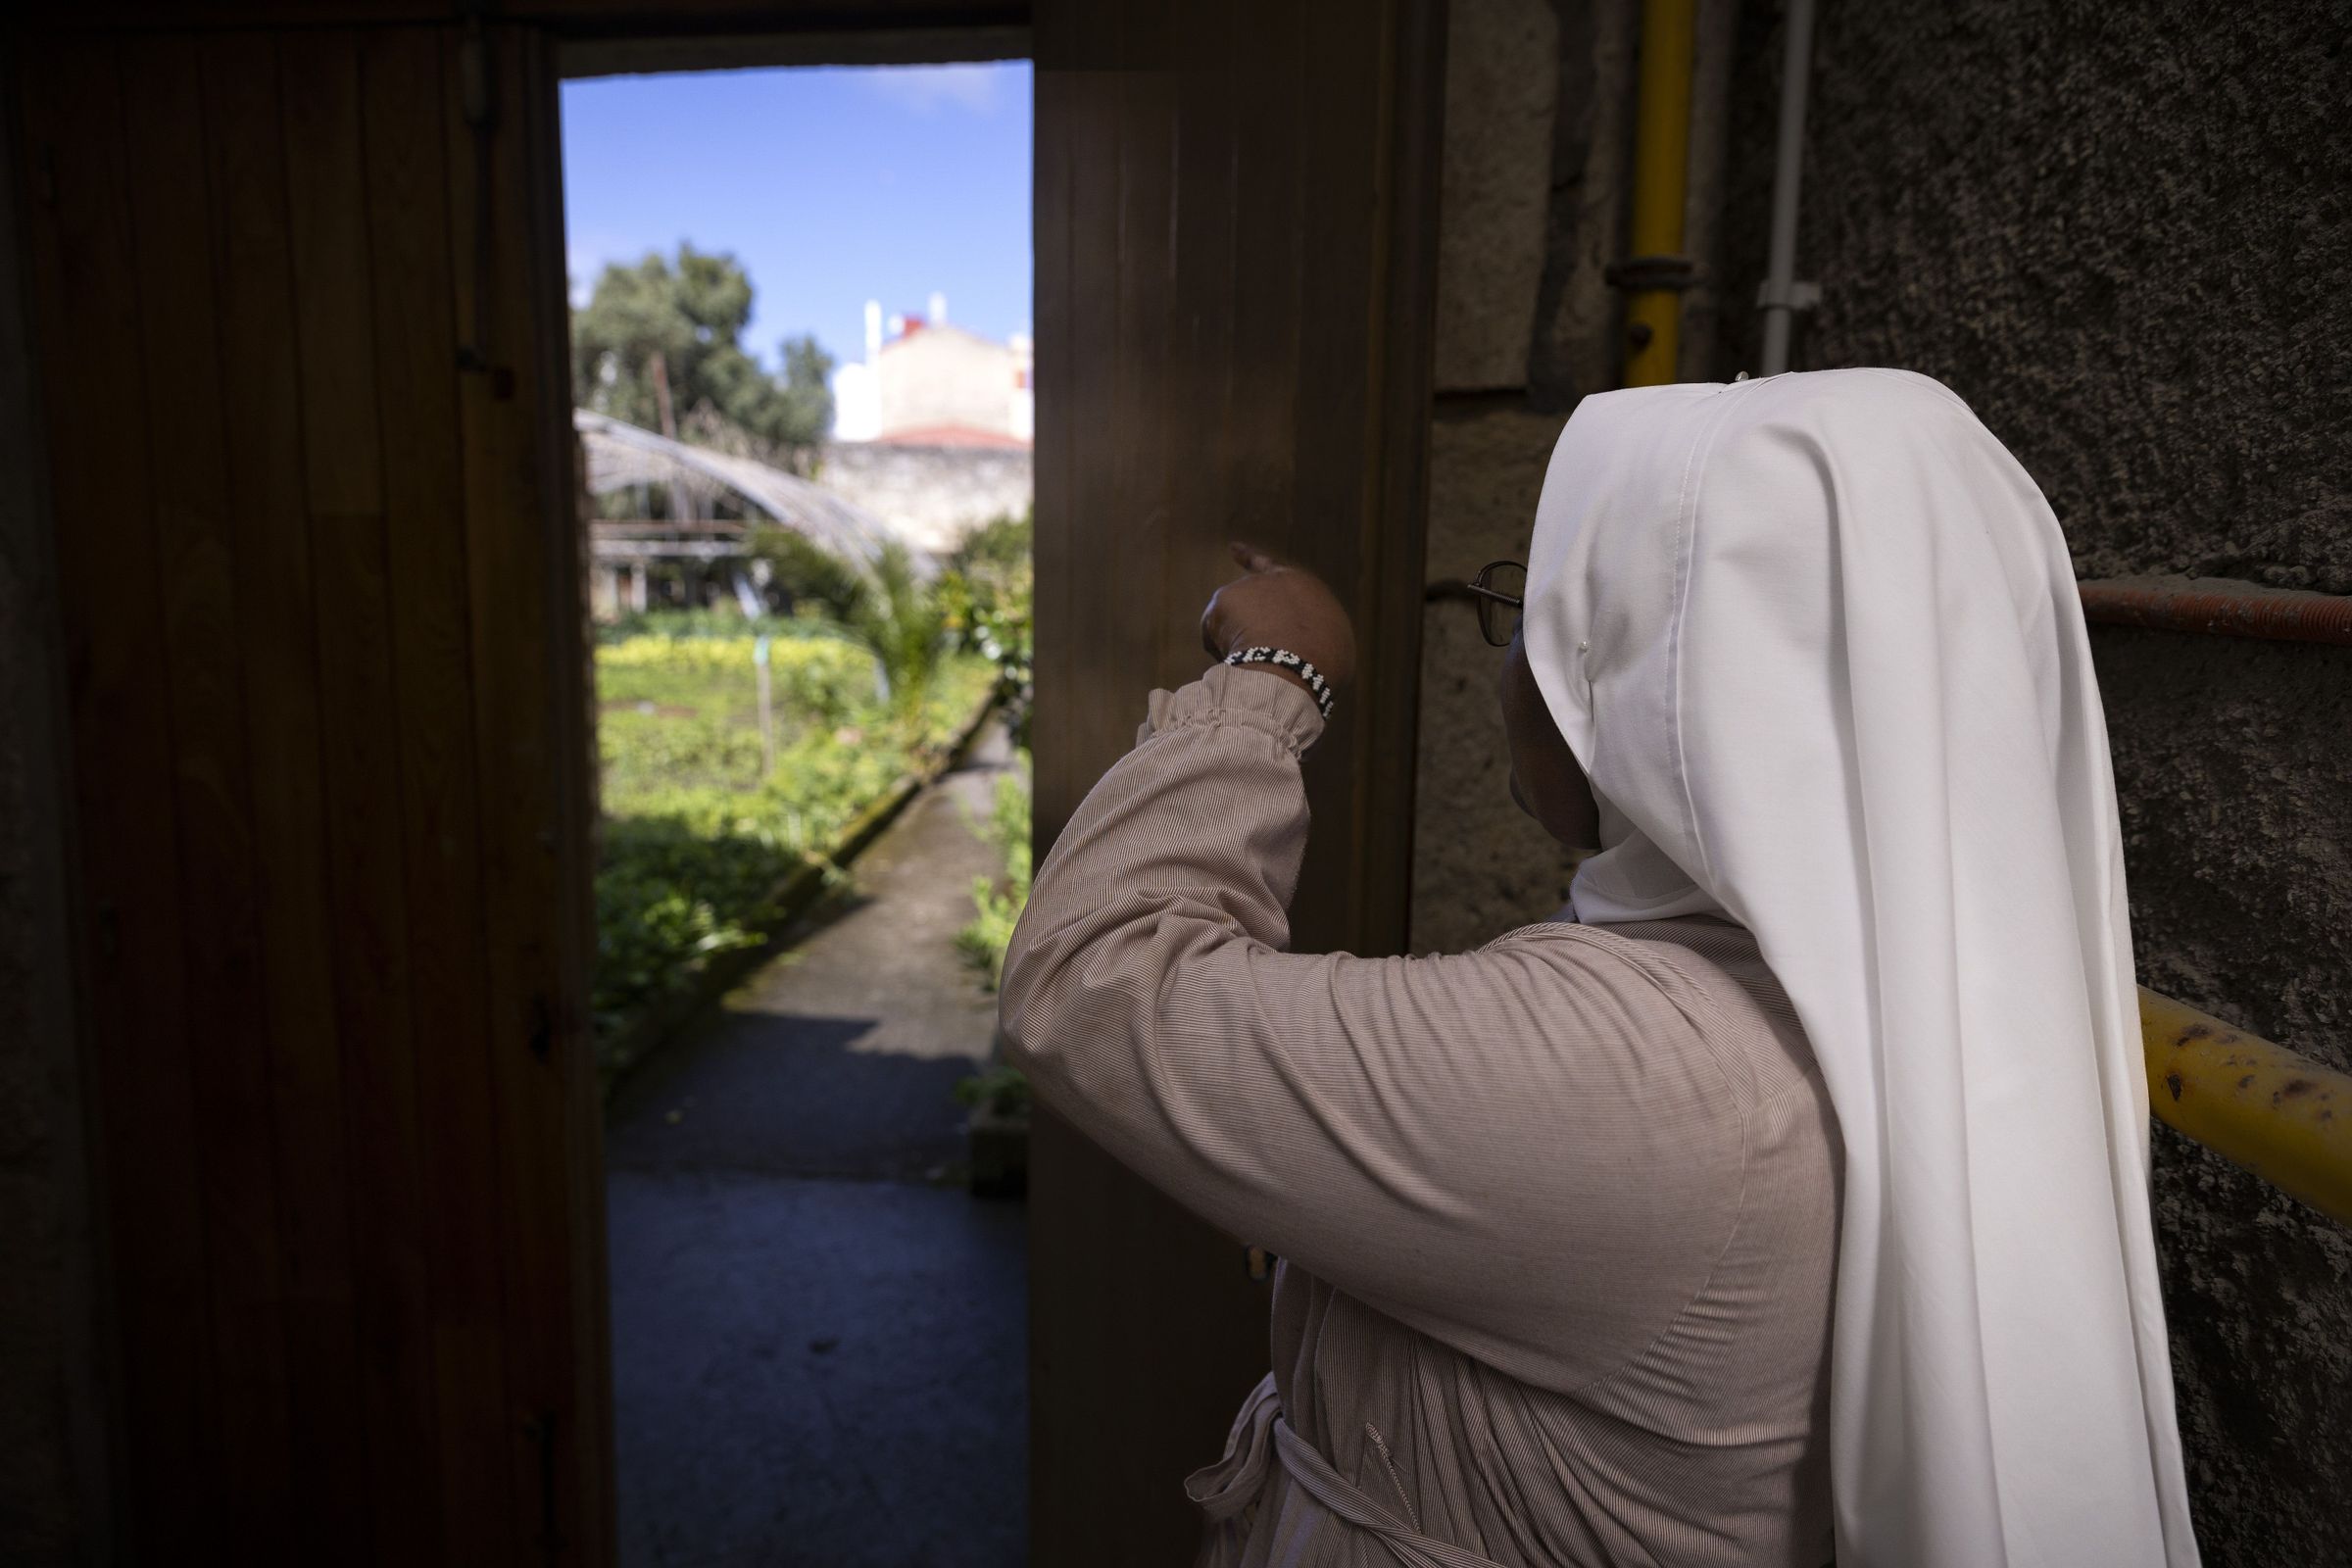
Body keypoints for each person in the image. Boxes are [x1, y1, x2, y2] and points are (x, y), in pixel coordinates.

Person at [998, 368, 2200, 1567]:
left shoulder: (1652, 1073)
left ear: (1668, 680)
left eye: (1550, 603)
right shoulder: (1933, 999)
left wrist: (1273, 678)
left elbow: (1096, 976)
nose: (1515, 656)